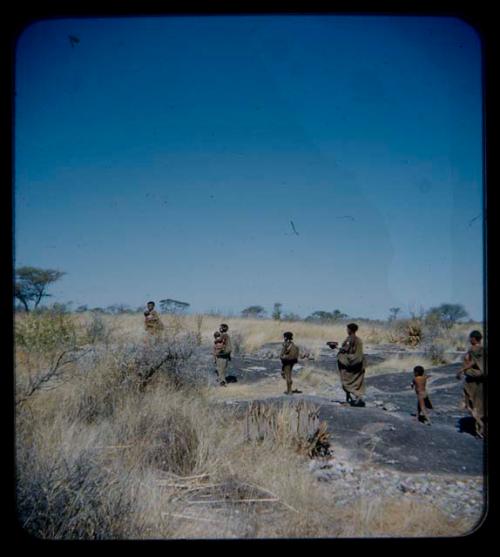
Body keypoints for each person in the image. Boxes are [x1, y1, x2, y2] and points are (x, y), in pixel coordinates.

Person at [456, 330, 486, 438]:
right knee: (479, 404)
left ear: (474, 338)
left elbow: (473, 362)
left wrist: (461, 370)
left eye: (471, 338)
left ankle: (480, 426)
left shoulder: (474, 349)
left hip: (472, 381)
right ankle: (478, 429)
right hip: (481, 381)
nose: (469, 339)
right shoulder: (483, 349)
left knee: (470, 404)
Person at [337, 323, 366, 407]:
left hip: (351, 364)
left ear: (350, 330)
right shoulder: (358, 339)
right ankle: (356, 397)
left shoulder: (350, 339)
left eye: (347, 329)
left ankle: (351, 399)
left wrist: (336, 349)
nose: (346, 330)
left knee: (346, 380)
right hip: (359, 363)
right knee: (357, 381)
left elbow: (345, 350)